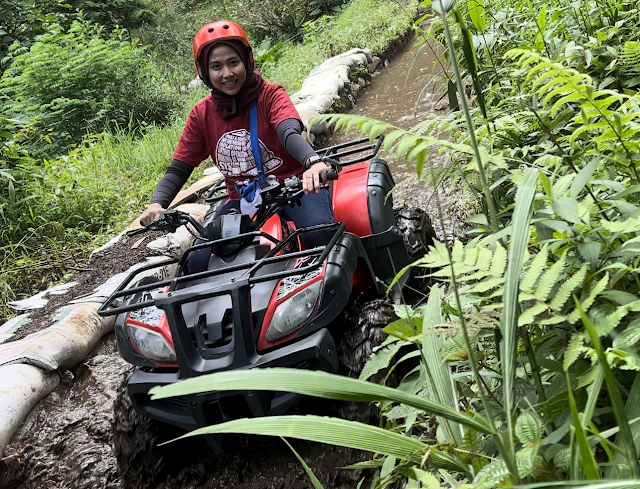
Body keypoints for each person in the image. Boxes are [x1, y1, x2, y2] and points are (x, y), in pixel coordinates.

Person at [140, 20, 334, 252]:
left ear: (247, 61)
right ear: (204, 72)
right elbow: (179, 168)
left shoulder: (270, 95)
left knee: (320, 234)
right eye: (216, 66)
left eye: (233, 63)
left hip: (294, 189)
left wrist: (312, 162)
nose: (227, 73)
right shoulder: (201, 115)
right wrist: (158, 203)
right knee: (199, 259)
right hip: (243, 201)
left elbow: (288, 131)